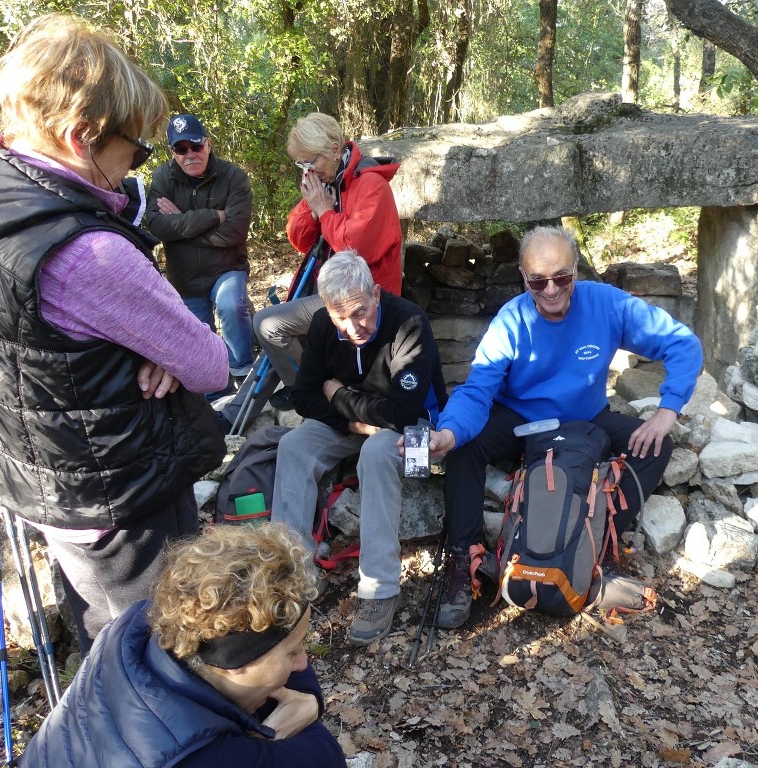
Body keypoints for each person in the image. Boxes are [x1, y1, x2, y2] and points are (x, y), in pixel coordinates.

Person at [0, 14, 228, 652]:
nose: (138, 166)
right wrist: (163, 347)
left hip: (37, 478)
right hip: (119, 497)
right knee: (156, 657)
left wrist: (144, 342)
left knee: (107, 638)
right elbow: (211, 363)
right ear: (82, 135)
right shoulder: (87, 254)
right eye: (135, 148)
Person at [426, 225, 704, 629]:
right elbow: (477, 389)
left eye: (563, 277)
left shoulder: (606, 304)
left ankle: (596, 548)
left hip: (583, 419)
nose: (552, 289)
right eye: (538, 281)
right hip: (520, 419)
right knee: (466, 447)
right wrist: (449, 432)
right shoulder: (511, 320)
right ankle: (464, 558)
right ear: (524, 278)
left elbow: (681, 343)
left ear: (577, 269)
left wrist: (668, 409)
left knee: (656, 446)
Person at [21, 524, 347, 768]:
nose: (305, 664)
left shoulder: (134, 626)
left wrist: (301, 709)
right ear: (238, 659)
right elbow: (326, 758)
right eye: (292, 651)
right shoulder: (199, 758)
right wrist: (301, 712)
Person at [271, 252, 446, 647]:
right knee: (295, 444)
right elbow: (304, 397)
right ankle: (290, 574)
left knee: (377, 453)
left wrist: (337, 394)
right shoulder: (321, 325)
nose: (353, 328)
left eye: (360, 312)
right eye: (340, 317)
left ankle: (379, 588)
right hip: (357, 422)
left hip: (419, 428)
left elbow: (403, 412)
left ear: (377, 294)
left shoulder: (409, 322)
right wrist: (353, 421)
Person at [251, 112, 402, 409]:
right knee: (270, 328)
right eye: (300, 164)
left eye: (312, 161)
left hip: (360, 299)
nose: (307, 171)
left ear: (335, 149)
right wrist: (313, 206)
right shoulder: (330, 180)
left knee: (268, 325)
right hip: (330, 291)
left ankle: (305, 391)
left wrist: (325, 212)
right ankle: (301, 391)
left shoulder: (371, 186)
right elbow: (299, 239)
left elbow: (357, 250)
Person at [145, 113, 254, 385]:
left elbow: (235, 232)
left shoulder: (234, 177)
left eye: (196, 146)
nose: (190, 154)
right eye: (181, 149)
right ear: (172, 152)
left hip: (227, 267)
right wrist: (211, 217)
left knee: (231, 305)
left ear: (208, 144)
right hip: (185, 278)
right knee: (197, 335)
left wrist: (180, 227)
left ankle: (243, 372)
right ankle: (215, 387)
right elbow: (157, 226)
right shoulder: (162, 177)